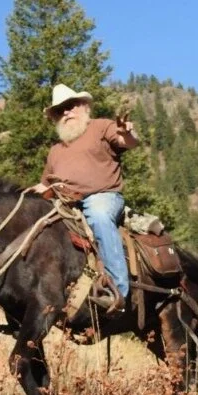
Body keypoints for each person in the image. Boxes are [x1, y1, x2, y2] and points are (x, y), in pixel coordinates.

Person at [37, 83, 138, 313]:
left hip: (102, 197)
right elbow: (45, 185)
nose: (66, 112)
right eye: (60, 110)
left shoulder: (101, 127)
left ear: (83, 107)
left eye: (71, 106)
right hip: (65, 205)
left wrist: (127, 132)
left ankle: (118, 291)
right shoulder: (55, 150)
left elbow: (128, 142)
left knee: (100, 216)